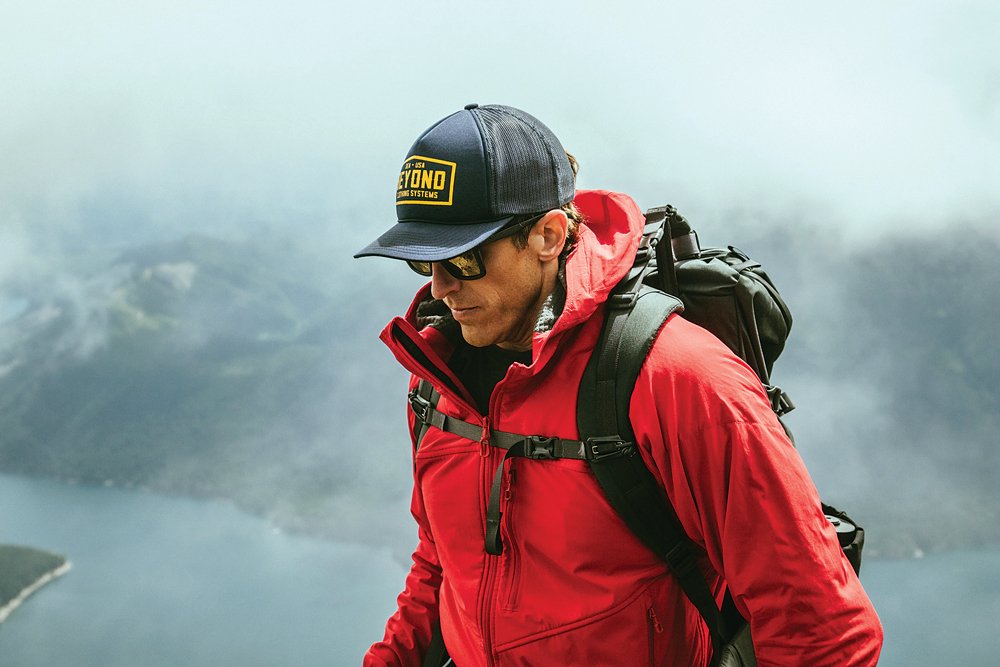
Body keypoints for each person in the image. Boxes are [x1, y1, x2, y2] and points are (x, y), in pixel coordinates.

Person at [354, 104, 883, 666]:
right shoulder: (438, 377)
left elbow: (820, 629)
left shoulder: (678, 379)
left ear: (548, 236)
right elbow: (443, 568)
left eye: (463, 261)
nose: (440, 288)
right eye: (421, 263)